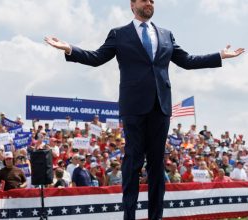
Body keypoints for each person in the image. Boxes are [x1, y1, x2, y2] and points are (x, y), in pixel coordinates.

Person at [45, 0, 244, 218]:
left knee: (157, 165)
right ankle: (129, 215)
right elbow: (97, 58)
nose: (148, 3)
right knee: (133, 162)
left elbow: (186, 60)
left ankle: (155, 216)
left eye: (152, 0)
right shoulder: (119, 34)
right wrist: (70, 49)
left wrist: (219, 56)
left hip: (161, 106)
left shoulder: (166, 34)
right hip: (134, 106)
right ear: (132, 4)